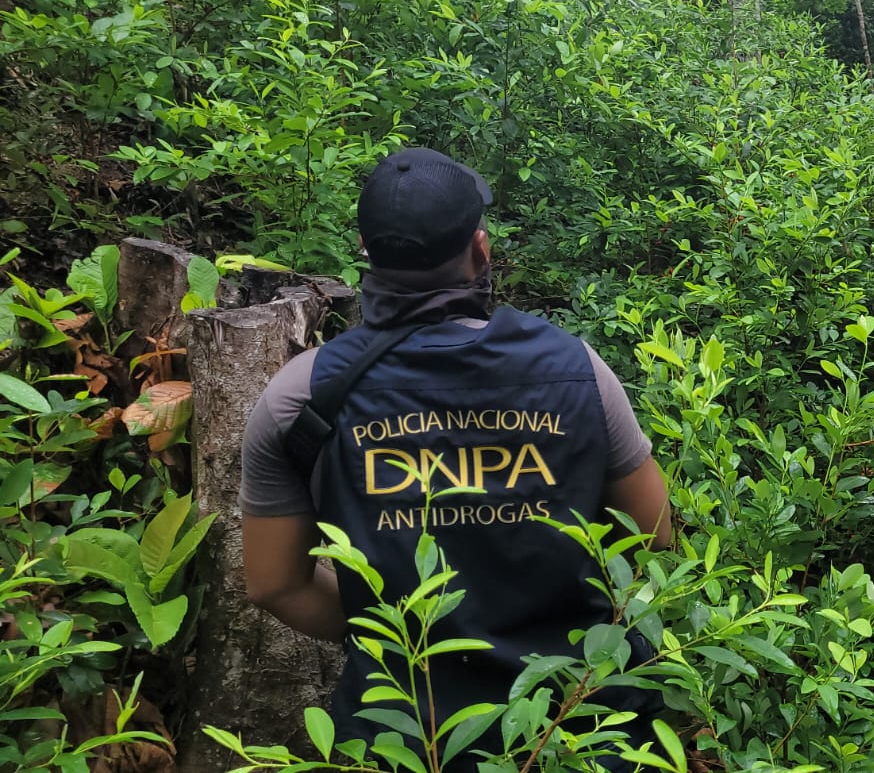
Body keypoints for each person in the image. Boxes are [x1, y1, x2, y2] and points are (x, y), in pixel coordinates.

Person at [239, 147, 672, 768]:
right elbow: (654, 535)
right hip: (579, 727)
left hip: (403, 737)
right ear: (480, 247)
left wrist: (393, 635)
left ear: (364, 247)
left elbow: (274, 583)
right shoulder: (577, 372)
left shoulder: (304, 394)